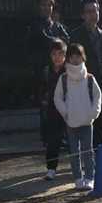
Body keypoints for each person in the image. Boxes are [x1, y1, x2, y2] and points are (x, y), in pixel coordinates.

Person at [53, 41, 102, 189]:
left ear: (83, 57)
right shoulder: (63, 78)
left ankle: (89, 178)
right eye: (72, 56)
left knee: (88, 152)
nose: (75, 59)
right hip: (71, 122)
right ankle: (77, 178)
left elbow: (97, 96)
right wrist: (66, 112)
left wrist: (93, 113)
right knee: (74, 152)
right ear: (68, 58)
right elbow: (57, 98)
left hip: (87, 122)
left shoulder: (90, 78)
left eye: (78, 56)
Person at [70, 0, 102, 157]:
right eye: (89, 11)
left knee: (101, 122)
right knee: (86, 125)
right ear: (82, 15)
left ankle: (100, 157)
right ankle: (88, 158)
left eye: (95, 11)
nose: (93, 14)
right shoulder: (75, 35)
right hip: (83, 84)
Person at [28, 0, 70, 142]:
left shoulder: (57, 26)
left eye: (49, 5)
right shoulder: (35, 26)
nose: (46, 8)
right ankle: (48, 136)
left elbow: (67, 39)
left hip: (60, 69)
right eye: (43, 5)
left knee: (63, 101)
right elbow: (45, 40)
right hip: (44, 71)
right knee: (47, 104)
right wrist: (58, 42)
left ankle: (62, 134)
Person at [42, 39, 71, 179]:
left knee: (73, 140)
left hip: (69, 109)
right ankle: (51, 169)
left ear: (65, 55)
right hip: (52, 110)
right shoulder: (47, 70)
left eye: (60, 54)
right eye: (54, 54)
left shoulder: (70, 70)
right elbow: (43, 89)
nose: (57, 57)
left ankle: (78, 167)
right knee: (53, 141)